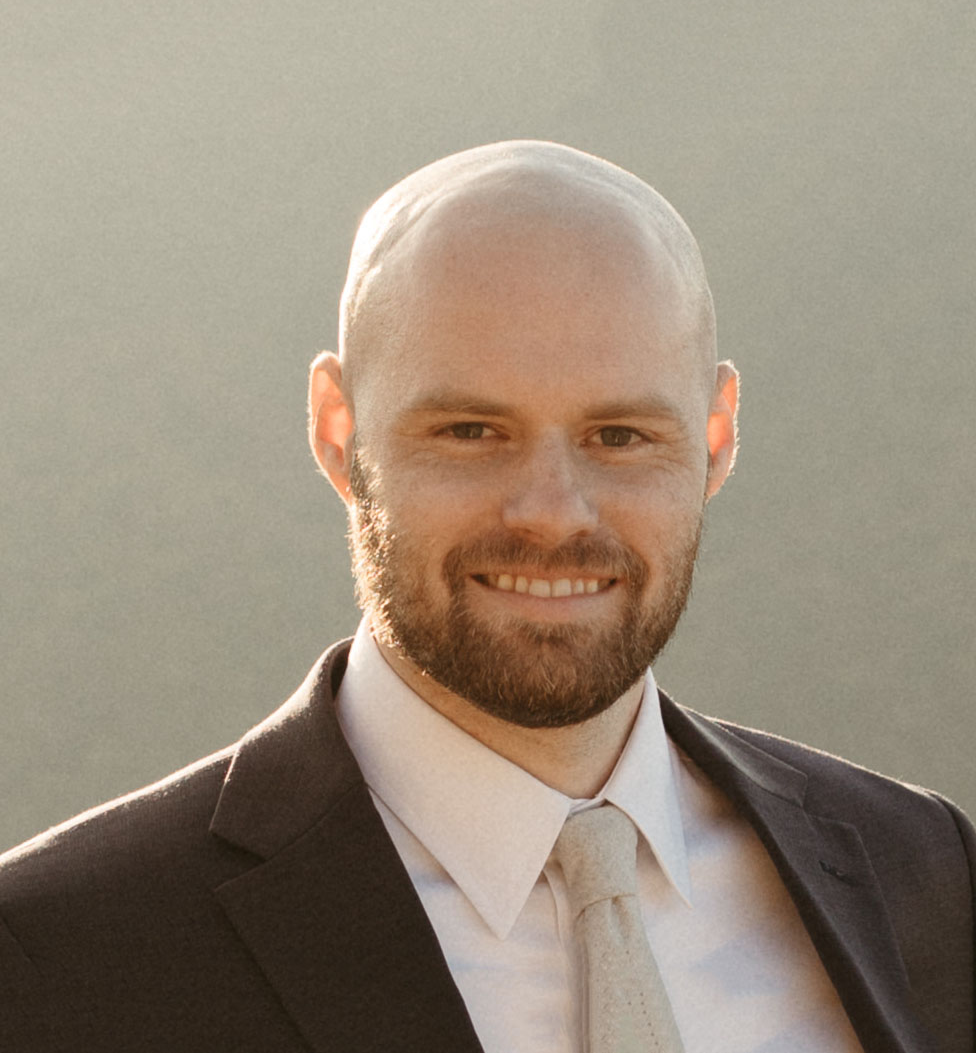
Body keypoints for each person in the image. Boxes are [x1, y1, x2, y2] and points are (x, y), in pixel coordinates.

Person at [0, 141, 971, 1053]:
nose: (552, 513)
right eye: (470, 430)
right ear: (338, 430)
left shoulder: (924, 871)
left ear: (715, 436)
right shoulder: (57, 955)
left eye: (620, 435)